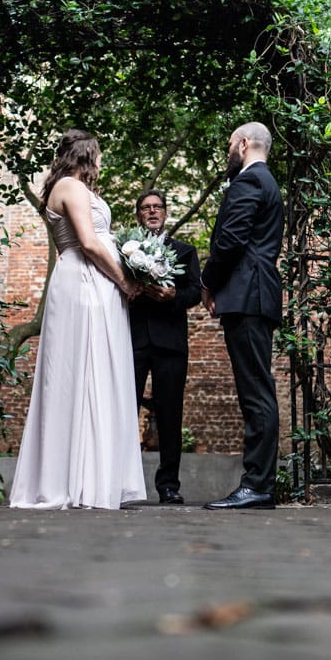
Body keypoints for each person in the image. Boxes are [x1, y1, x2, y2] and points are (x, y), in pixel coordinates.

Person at [9, 130, 146, 510]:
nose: (100, 163)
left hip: (89, 280)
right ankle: (75, 482)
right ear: (86, 155)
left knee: (95, 374)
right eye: (98, 156)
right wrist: (124, 280)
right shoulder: (70, 186)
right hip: (86, 283)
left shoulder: (70, 187)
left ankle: (91, 477)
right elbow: (87, 241)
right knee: (81, 374)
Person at [200, 121, 284, 510]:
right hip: (254, 296)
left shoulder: (249, 182)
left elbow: (231, 241)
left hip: (247, 295)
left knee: (256, 392)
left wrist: (208, 282)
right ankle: (259, 483)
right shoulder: (266, 183)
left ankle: (258, 485)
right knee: (256, 389)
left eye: (229, 144)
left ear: (245, 144)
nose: (227, 152)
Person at [129, 190, 201, 504]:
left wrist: (174, 297)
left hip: (170, 342)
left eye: (157, 207)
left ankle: (169, 485)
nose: (152, 211)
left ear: (166, 213)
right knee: (123, 410)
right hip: (131, 340)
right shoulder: (124, 250)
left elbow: (195, 293)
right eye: (146, 208)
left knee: (170, 414)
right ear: (138, 216)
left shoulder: (185, 252)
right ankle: (119, 482)